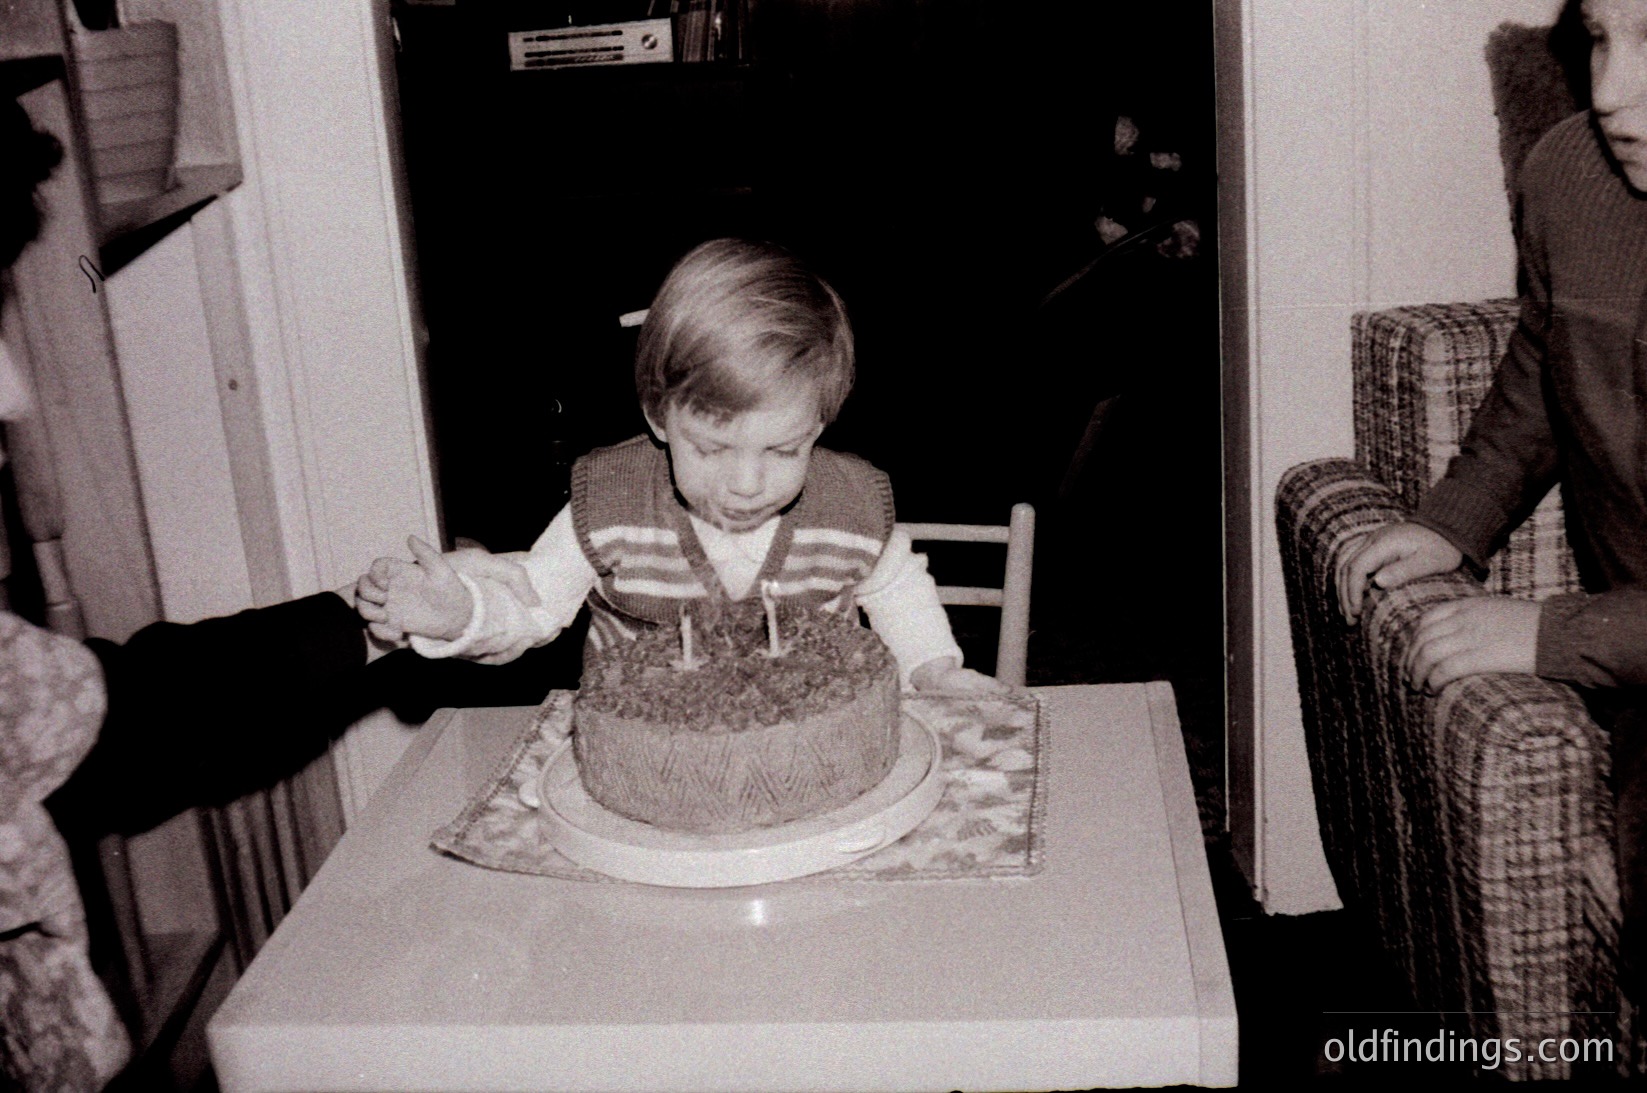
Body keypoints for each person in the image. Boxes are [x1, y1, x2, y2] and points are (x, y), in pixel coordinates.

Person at [1334, 0, 1647, 999]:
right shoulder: (1564, 177)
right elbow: (1542, 375)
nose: (1611, 94)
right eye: (1602, 37)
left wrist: (1561, 635)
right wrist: (1450, 519)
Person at [358, 238, 1004, 696]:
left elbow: (894, 586)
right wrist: (459, 616)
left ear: (819, 424)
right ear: (659, 415)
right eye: (713, 448)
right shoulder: (608, 506)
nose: (747, 483)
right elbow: (529, 606)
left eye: (783, 450)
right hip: (647, 789)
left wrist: (931, 667)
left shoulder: (851, 507)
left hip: (818, 772)